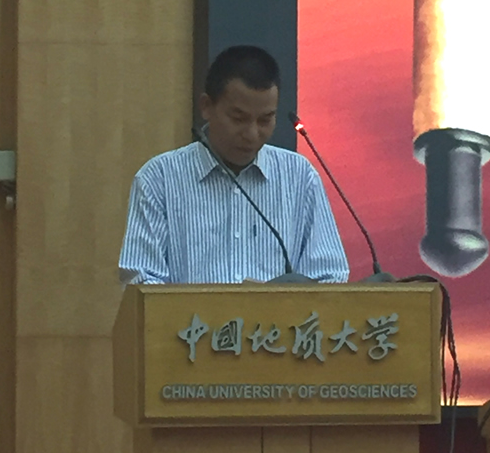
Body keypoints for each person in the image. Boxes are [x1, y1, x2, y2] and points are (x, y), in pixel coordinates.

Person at [118, 45, 349, 285]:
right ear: (206, 106)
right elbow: (141, 281)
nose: (251, 134)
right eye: (239, 119)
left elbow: (329, 277)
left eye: (265, 120)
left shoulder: (299, 176)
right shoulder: (159, 179)